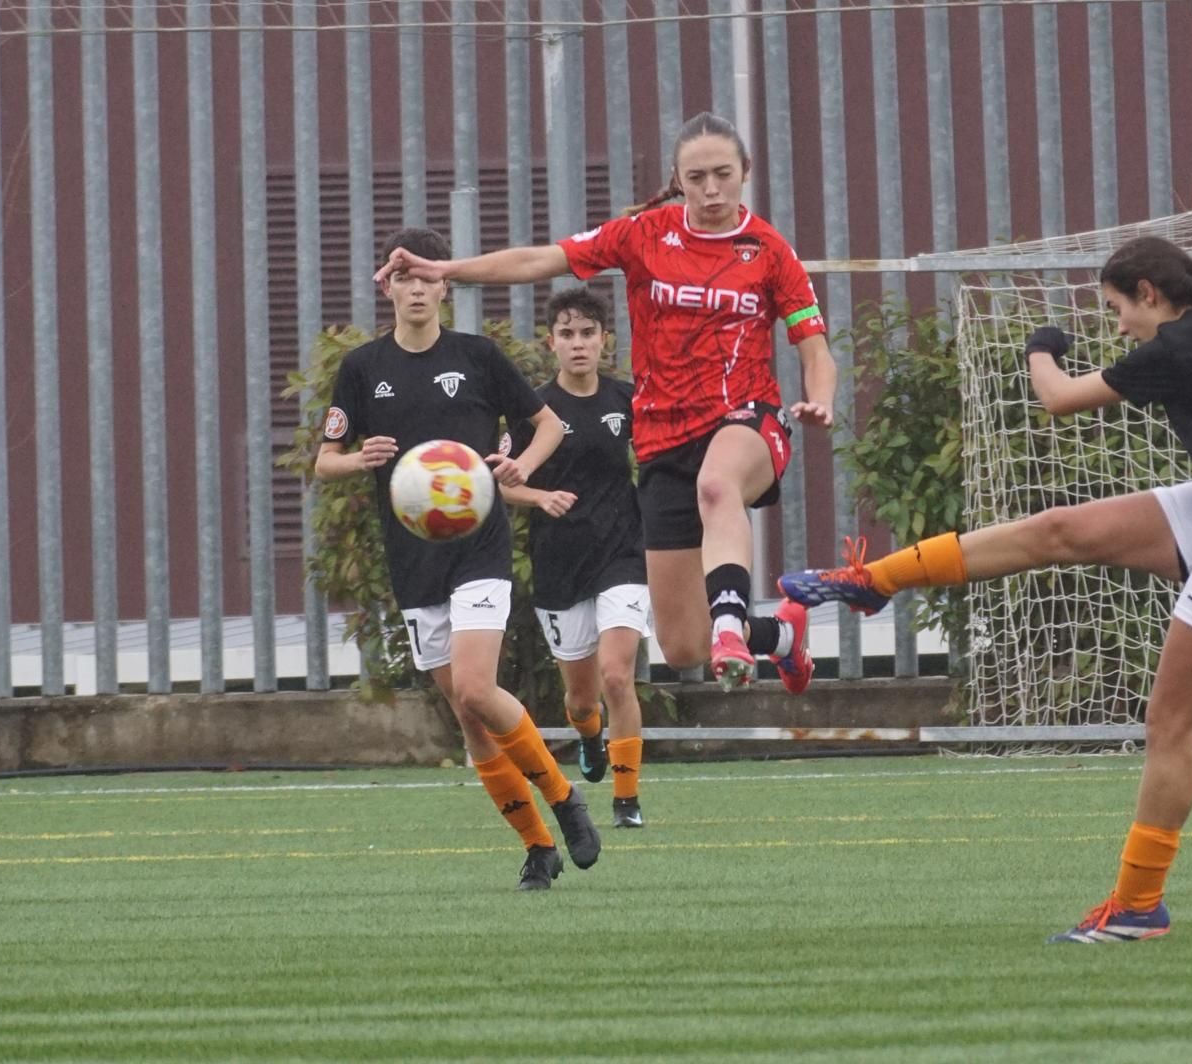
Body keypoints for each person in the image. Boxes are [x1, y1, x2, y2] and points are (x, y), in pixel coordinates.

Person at [778, 234, 1192, 942]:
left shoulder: (1181, 345)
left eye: (1118, 309)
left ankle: (1139, 906)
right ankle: (874, 582)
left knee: (1170, 727)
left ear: (1150, 293)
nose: (1119, 325)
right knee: (1059, 529)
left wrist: (1040, 346)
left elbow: (1056, 398)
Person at [374, 112, 834, 695]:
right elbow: (543, 258)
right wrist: (448, 269)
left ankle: (730, 626)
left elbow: (815, 348)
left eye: (723, 174)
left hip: (749, 418)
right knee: (682, 645)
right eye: (697, 178)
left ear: (745, 171)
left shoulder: (769, 251)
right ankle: (779, 635)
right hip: (665, 439)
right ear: (678, 178)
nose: (712, 189)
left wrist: (818, 399)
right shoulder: (643, 234)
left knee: (718, 487)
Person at [317, 227, 601, 891]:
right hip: (413, 561)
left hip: (480, 546)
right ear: (385, 286)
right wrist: (359, 459)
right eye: (403, 277)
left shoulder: (477, 357)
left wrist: (518, 468)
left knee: (477, 688)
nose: (416, 288)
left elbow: (550, 425)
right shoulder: (363, 369)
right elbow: (325, 462)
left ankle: (564, 800)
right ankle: (537, 848)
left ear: (444, 285)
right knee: (469, 722)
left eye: (427, 277)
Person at [502, 288, 652, 828]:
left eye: (588, 332)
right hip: (560, 564)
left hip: (623, 556)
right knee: (584, 698)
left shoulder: (626, 401)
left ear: (604, 340)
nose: (579, 343)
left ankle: (627, 800)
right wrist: (540, 496)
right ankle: (588, 736)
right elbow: (503, 486)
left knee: (618, 677)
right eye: (567, 334)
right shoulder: (535, 413)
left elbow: (659, 463)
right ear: (551, 344)